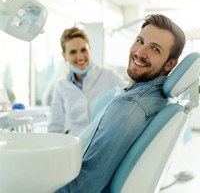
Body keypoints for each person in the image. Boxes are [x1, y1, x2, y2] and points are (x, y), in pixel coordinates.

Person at [54, 14, 186, 193]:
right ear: (64, 56)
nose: (140, 53)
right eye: (140, 41)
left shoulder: (130, 105)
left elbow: (82, 187)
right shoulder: (147, 97)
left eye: (155, 48)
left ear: (170, 64)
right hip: (73, 153)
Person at [48, 27, 126, 136]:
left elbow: (129, 99)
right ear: (64, 56)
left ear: (90, 49)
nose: (79, 56)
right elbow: (55, 126)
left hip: (102, 140)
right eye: (72, 52)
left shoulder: (109, 77)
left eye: (83, 50)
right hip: (74, 145)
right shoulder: (61, 87)